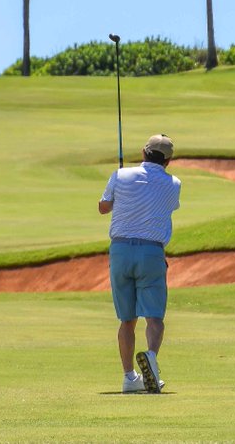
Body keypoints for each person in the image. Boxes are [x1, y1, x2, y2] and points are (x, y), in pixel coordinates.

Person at [98, 133, 182, 394]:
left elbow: (103, 207)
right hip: (151, 252)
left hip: (120, 251)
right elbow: (164, 205)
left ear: (144, 152)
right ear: (168, 161)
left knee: (127, 320)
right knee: (154, 318)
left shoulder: (120, 175)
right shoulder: (174, 183)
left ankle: (128, 378)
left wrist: (120, 185)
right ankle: (152, 360)